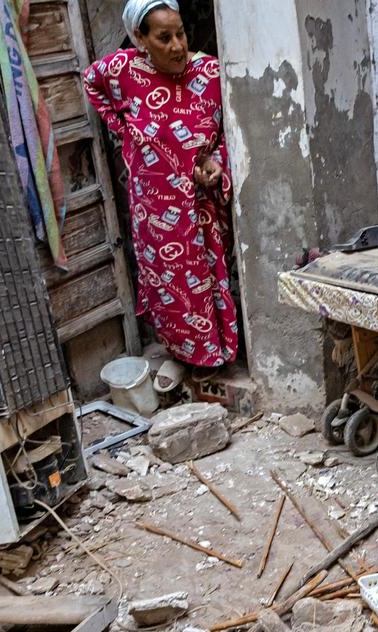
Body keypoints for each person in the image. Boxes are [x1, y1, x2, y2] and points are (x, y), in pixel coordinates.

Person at [83, 0, 238, 375]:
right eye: (164, 37)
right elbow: (91, 82)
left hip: (200, 200)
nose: (177, 46)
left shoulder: (210, 73)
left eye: (180, 34)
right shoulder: (123, 70)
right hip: (154, 207)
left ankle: (218, 354)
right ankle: (186, 356)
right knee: (172, 285)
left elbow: (229, 130)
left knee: (209, 276)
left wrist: (215, 161)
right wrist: (123, 130)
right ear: (140, 38)